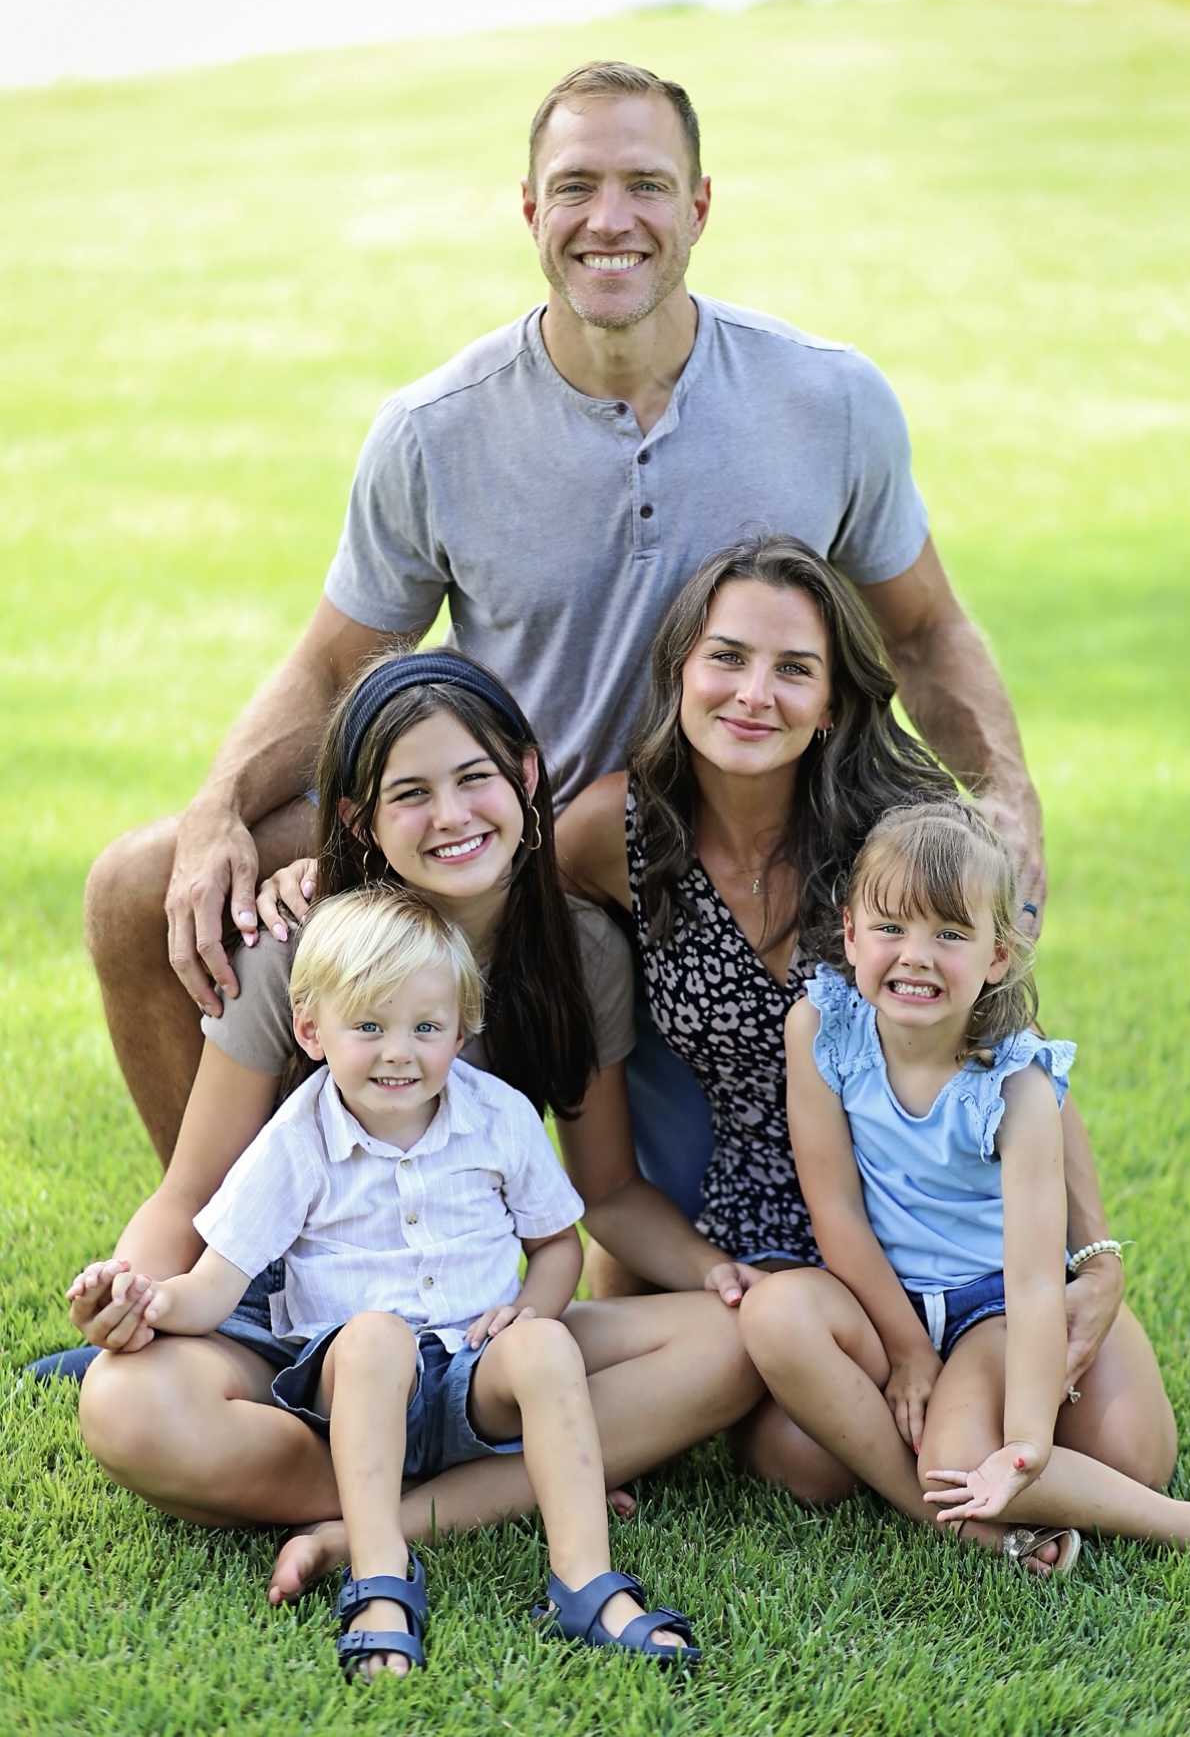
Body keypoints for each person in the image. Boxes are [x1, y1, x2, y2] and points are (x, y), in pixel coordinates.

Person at [84, 57, 1047, 1172]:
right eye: (577, 186)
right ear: (532, 208)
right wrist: (215, 811)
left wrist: (1006, 796)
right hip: (496, 840)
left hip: (731, 856)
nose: (611, 219)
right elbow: (332, 668)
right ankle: (224, 1282)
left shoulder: (829, 401)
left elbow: (925, 631)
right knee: (138, 885)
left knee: (732, 1241)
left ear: (698, 206)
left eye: (645, 184)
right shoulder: (434, 429)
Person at [67, 651, 762, 1605]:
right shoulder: (299, 952)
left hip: (476, 1339)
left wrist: (720, 1275)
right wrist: (133, 1297)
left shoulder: (577, 950)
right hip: (304, 1332)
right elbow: (192, 1191)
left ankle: (364, 1522)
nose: (452, 815)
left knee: (736, 1343)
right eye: (411, 793)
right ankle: (512, 1482)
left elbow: (602, 1195)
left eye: (477, 778)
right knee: (126, 1405)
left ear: (525, 777)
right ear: (359, 819)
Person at [556, 537, 1177, 1505]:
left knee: (1134, 1450)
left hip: (931, 1204)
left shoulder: (899, 825)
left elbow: (1012, 1044)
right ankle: (948, 1499)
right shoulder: (614, 832)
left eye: (794, 669)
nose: (755, 693)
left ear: (833, 702)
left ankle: (1005, 1419)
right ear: (678, 670)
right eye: (726, 657)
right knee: (805, 1466)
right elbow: (499, 894)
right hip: (768, 1215)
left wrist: (1092, 1255)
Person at [97, 885, 699, 1677]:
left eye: (425, 1027)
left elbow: (558, 1244)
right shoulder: (298, 1137)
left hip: (469, 1369)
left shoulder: (499, 1115)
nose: (398, 1052)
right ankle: (379, 1576)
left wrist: (527, 1310)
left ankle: (582, 1582)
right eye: (370, 1026)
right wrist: (149, 1300)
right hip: (349, 1377)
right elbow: (214, 1283)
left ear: (462, 1027)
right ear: (311, 1029)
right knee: (377, 1334)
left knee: (549, 1344)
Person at [739, 801, 1190, 1585]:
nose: (916, 957)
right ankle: (969, 1516)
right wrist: (903, 1352)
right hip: (882, 1300)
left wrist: (1028, 1442)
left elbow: (1034, 1280)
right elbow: (837, 1212)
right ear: (851, 932)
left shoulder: (1015, 1085)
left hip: (992, 1307)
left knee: (1133, 1457)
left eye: (951, 935)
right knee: (774, 1311)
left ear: (998, 955)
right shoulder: (821, 1027)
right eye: (891, 927)